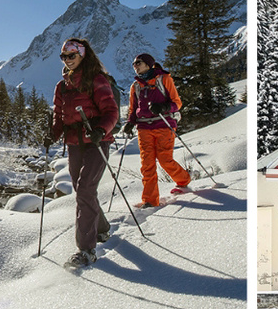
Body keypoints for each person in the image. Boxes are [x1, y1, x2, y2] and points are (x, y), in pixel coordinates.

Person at [45, 38, 119, 268]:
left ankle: (86, 249)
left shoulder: (96, 80)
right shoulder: (62, 86)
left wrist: (100, 129)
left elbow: (111, 111)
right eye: (64, 56)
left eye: (71, 55)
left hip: (97, 141)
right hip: (75, 143)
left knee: (86, 188)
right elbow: (59, 115)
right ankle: (103, 229)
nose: (67, 60)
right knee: (82, 189)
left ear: (82, 55)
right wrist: (53, 134)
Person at [122, 53, 191, 207]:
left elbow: (177, 103)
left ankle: (184, 180)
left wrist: (164, 107)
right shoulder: (136, 86)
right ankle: (150, 200)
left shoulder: (164, 79)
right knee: (147, 164)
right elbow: (133, 109)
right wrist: (130, 123)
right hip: (144, 127)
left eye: (138, 63)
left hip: (164, 124)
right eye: (134, 64)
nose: (135, 66)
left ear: (148, 64)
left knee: (165, 159)